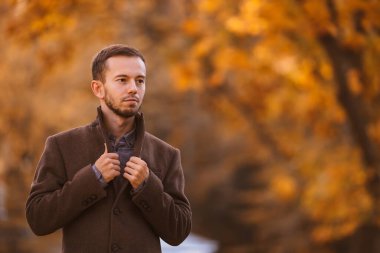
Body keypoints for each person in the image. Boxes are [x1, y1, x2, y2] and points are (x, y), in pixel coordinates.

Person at [26, 44, 192, 253]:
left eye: (140, 81)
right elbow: (38, 219)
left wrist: (148, 186)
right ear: (98, 88)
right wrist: (92, 178)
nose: (133, 88)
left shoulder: (167, 155)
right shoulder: (61, 146)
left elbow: (179, 231)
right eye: (122, 80)